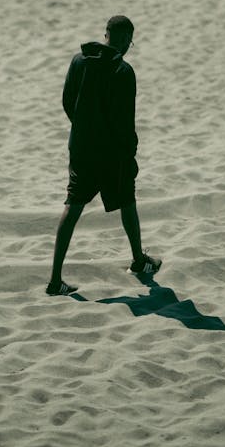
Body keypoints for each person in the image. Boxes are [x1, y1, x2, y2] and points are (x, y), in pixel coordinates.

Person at [46, 15, 162, 296]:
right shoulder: (123, 72)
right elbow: (125, 122)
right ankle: (138, 261)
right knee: (127, 200)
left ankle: (55, 279)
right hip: (111, 154)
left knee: (72, 205)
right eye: (129, 41)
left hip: (81, 148)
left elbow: (67, 101)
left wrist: (84, 128)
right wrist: (129, 151)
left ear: (106, 33)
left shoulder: (78, 61)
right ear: (124, 41)